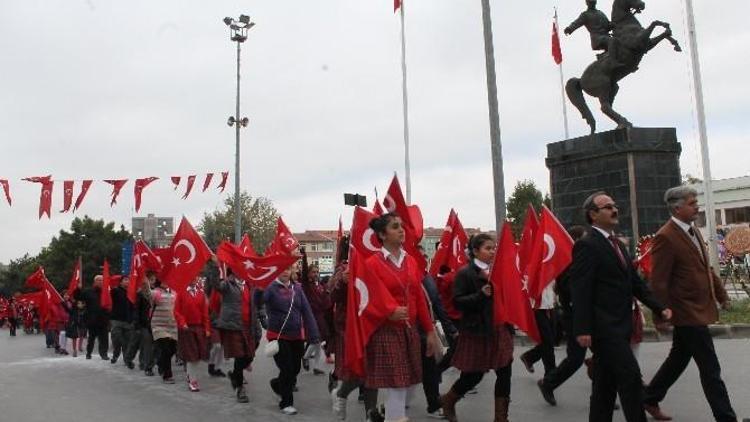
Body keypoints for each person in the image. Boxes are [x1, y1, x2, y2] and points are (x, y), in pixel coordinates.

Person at [571, 191, 672, 422]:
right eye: (607, 207)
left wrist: (659, 307)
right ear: (593, 215)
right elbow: (581, 290)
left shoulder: (616, 244)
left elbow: (634, 283)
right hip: (604, 328)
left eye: (614, 205)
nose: (614, 209)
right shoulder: (587, 245)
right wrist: (583, 328)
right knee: (631, 378)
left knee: (604, 386)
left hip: (621, 324)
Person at [643, 186, 737, 422]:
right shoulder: (665, 236)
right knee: (710, 369)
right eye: (692, 203)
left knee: (678, 359)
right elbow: (659, 280)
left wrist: (722, 295)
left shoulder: (693, 231)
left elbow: (706, 268)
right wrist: (659, 314)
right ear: (677, 207)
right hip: (686, 311)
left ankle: (649, 397)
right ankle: (726, 417)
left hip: (696, 308)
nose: (697, 206)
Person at [363, 213, 441, 422]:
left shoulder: (412, 262)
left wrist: (431, 331)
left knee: (411, 381)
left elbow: (419, 298)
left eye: (402, 226)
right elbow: (366, 299)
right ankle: (393, 416)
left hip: (410, 329)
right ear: (382, 234)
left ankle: (383, 412)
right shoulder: (372, 264)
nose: (401, 230)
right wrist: (388, 311)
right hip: (386, 331)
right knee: (398, 384)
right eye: (395, 226)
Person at [441, 233, 514, 422]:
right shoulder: (466, 273)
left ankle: (501, 418)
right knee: (473, 376)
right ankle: (449, 400)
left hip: (499, 329)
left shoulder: (497, 271)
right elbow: (458, 302)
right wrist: (480, 295)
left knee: (505, 371)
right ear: (475, 251)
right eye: (488, 248)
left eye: (494, 248)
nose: (492, 252)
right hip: (477, 331)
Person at [537, 226, 587, 406]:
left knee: (606, 356)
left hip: (593, 315)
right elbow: (567, 290)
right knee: (575, 359)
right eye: (583, 238)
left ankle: (605, 391)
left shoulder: (582, 259)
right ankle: (548, 383)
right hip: (575, 317)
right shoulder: (567, 263)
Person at [263, 265, 321, 415]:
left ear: (291, 272)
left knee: (295, 368)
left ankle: (277, 384)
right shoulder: (270, 288)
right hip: (278, 336)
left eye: (288, 269)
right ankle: (286, 403)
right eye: (282, 269)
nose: (284, 272)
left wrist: (314, 335)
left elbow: (307, 311)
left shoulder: (298, 289)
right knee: (287, 368)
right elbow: (258, 300)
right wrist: (259, 286)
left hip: (296, 336)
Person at [212, 266, 255, 403]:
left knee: (249, 355)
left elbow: (256, 304)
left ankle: (235, 376)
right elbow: (216, 285)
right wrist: (214, 267)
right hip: (234, 326)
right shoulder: (227, 284)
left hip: (249, 326)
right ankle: (240, 388)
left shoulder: (249, 283)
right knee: (240, 357)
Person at [174, 277, 211, 392]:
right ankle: (192, 380)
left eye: (196, 277)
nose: (195, 279)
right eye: (193, 276)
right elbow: (176, 311)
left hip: (199, 327)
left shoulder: (200, 293)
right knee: (192, 355)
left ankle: (190, 374)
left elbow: (205, 312)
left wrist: (207, 328)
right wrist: (182, 323)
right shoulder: (181, 292)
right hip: (187, 328)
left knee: (198, 355)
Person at [299, 251, 332, 376]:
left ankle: (317, 367)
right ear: (308, 274)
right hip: (311, 316)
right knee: (315, 340)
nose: (316, 274)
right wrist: (305, 257)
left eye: (317, 272)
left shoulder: (320, 285)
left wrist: (327, 295)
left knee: (319, 342)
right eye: (313, 272)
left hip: (320, 316)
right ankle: (305, 356)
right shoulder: (306, 285)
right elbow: (304, 271)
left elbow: (325, 302)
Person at [520, 281, 557, 376]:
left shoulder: (549, 266)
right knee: (547, 341)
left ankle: (529, 357)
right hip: (537, 306)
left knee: (552, 338)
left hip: (549, 305)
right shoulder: (534, 267)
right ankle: (551, 373)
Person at [124, 272, 155, 375]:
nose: (148, 283)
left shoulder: (154, 294)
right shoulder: (140, 295)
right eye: (146, 282)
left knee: (147, 345)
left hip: (151, 324)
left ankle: (146, 366)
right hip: (141, 323)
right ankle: (128, 359)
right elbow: (136, 310)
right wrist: (136, 323)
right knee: (135, 344)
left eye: (150, 281)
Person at [77, 275, 110, 360]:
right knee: (91, 338)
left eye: (102, 280)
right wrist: (78, 289)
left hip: (103, 319)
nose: (100, 282)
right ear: (94, 282)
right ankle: (89, 353)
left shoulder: (106, 292)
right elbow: (78, 298)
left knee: (104, 338)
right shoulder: (88, 291)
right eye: (99, 280)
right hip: (92, 319)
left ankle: (104, 354)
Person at [151, 280, 178, 384]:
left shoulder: (174, 293)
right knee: (165, 349)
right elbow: (147, 295)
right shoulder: (155, 292)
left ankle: (160, 362)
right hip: (159, 326)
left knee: (172, 349)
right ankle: (167, 375)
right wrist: (144, 282)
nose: (166, 282)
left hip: (172, 326)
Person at [109, 276, 134, 366]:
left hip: (128, 320)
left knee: (127, 341)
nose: (127, 282)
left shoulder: (131, 292)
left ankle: (126, 359)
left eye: (128, 280)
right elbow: (109, 293)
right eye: (125, 280)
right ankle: (116, 353)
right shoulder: (116, 291)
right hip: (117, 320)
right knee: (117, 339)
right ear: (120, 282)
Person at [63, 293, 87, 358]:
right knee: (74, 338)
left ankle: (80, 346)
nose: (80, 305)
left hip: (82, 324)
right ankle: (74, 350)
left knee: (82, 335)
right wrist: (64, 304)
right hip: (74, 324)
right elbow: (67, 309)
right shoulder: (73, 309)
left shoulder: (85, 309)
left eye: (81, 303)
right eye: (78, 303)